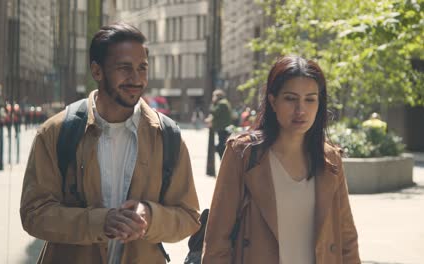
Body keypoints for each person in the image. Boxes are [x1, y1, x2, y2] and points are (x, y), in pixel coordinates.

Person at [20, 22, 200, 264]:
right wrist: (100, 222)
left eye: (142, 68)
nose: (136, 78)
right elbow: (34, 213)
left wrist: (150, 216)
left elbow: (189, 217)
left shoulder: (168, 136)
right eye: (124, 68)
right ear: (97, 71)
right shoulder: (55, 132)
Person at [202, 55, 360, 264]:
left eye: (310, 99)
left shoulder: (330, 160)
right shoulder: (243, 154)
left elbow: (347, 240)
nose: (300, 110)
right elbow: (217, 242)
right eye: (290, 98)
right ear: (273, 100)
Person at [205, 89, 232, 158]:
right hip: (224, 127)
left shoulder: (222, 103)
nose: (213, 97)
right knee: (222, 144)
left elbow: (214, 112)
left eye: (214, 96)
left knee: (221, 146)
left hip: (223, 128)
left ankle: (223, 161)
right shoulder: (224, 102)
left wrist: (213, 103)